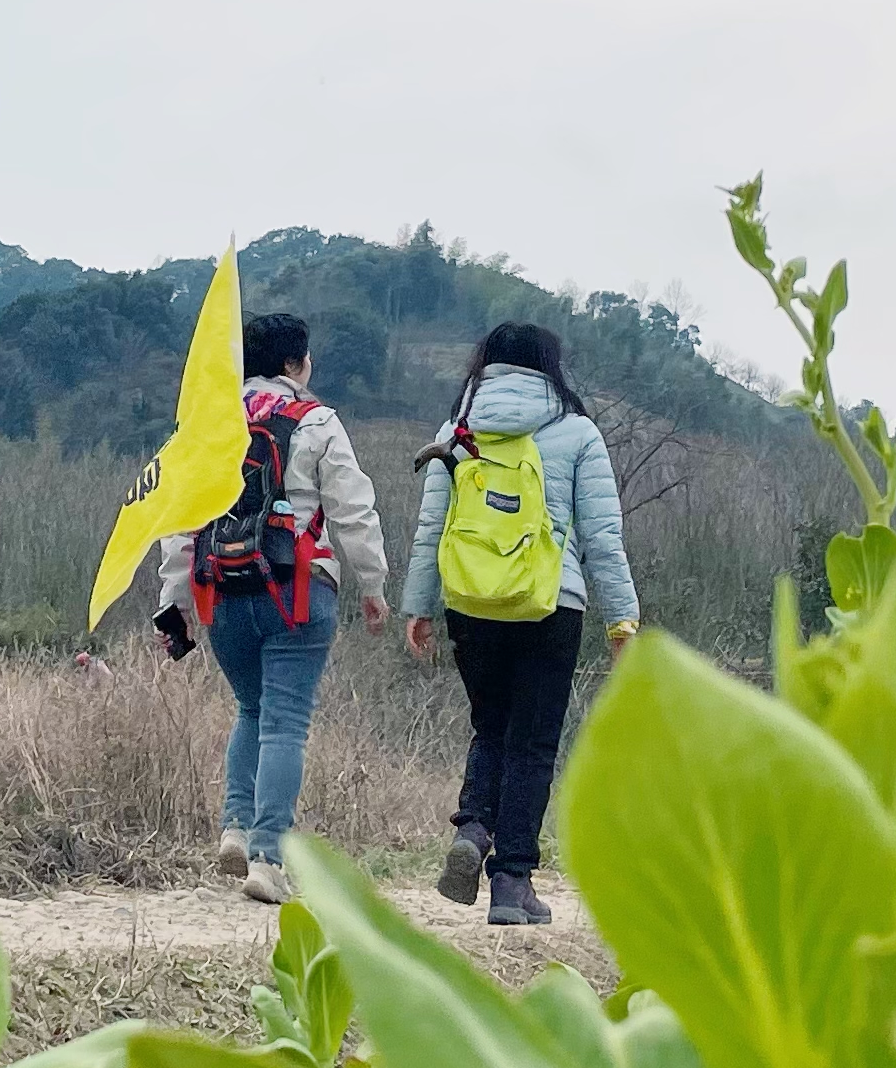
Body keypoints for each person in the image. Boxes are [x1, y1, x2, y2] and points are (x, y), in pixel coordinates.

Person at [400, 321, 638, 925]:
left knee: (490, 728)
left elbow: (432, 530)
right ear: (548, 367)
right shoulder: (578, 432)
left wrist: (418, 606)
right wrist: (623, 620)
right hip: (551, 603)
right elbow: (602, 538)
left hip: (469, 602)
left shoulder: (457, 430)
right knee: (532, 742)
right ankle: (511, 883)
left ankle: (473, 828)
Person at [150, 312, 389, 905]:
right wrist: (373, 584)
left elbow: (179, 522)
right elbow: (353, 509)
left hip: (222, 593)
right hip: (299, 592)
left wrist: (174, 600)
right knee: (285, 721)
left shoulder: (208, 425)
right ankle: (268, 857)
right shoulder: (317, 421)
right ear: (293, 363)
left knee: (251, 709)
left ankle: (235, 826)